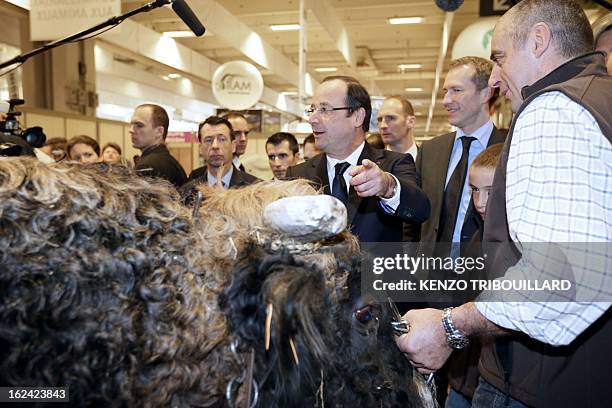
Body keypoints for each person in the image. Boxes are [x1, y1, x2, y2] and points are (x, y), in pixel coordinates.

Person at [397, 2, 611, 407]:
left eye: (499, 58)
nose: (495, 78)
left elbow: (561, 280)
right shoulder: (599, 98)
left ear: (539, 40)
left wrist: (450, 326)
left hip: (540, 381)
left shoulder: (555, 109)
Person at [285, 75, 430, 243]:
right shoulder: (297, 174)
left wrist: (387, 186)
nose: (312, 119)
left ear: (358, 117)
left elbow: (420, 210)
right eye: (312, 109)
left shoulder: (394, 164)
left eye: (324, 110)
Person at [416, 56, 505, 255]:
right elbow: (415, 219)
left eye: (456, 91)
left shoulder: (509, 150)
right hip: (431, 276)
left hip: (485, 274)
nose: (446, 100)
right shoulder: (430, 151)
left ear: (485, 93)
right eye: (445, 91)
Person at [447, 143, 503, 408]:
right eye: (474, 190)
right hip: (464, 375)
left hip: (495, 377)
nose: (479, 202)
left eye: (491, 192)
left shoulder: (517, 248)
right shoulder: (475, 240)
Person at [180, 116, 259, 203]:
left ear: (233, 146)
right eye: (209, 140)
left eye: (222, 139)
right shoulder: (186, 194)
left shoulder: (254, 189)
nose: (215, 146)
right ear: (201, 148)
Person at [130, 104, 187, 188]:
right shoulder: (169, 163)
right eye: (131, 125)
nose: (131, 130)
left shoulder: (147, 167)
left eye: (139, 125)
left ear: (159, 131)